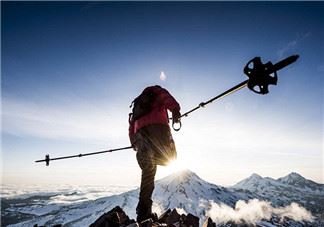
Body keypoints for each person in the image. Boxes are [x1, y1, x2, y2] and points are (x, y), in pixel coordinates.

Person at [128, 85, 181, 223]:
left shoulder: (137, 104)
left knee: (148, 174)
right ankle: (153, 156)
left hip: (140, 137)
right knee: (171, 158)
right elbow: (166, 97)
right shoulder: (156, 91)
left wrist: (134, 142)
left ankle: (143, 214)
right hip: (159, 130)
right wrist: (175, 109)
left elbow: (131, 123)